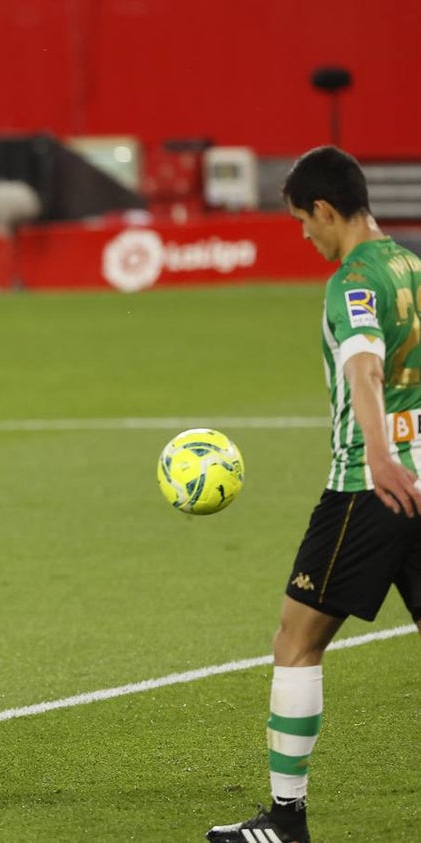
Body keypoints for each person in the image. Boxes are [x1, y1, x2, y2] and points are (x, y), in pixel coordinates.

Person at [207, 146, 421, 843]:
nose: (306, 236)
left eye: (305, 221)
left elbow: (363, 370)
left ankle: (285, 818)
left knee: (296, 639)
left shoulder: (353, 281)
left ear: (327, 210)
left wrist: (382, 459)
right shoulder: (414, 265)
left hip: (369, 484)